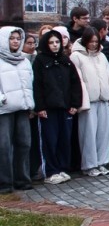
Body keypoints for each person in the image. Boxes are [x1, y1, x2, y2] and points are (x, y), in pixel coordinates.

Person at [71, 27, 109, 176]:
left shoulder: (101, 56)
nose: (94, 44)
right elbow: (78, 81)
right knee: (88, 134)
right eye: (91, 41)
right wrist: (83, 102)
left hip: (103, 100)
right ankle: (89, 164)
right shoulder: (76, 56)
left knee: (104, 133)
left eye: (96, 41)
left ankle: (102, 161)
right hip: (89, 102)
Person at [33, 30, 83, 183]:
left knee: (64, 139)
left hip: (65, 106)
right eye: (51, 42)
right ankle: (50, 170)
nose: (55, 45)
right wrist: (40, 107)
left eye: (57, 42)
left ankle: (62, 168)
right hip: (49, 108)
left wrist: (75, 104)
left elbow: (75, 83)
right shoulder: (40, 60)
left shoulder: (65, 60)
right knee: (50, 140)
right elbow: (37, 85)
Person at [0, 27, 35, 192]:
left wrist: (30, 104)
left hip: (22, 108)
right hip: (3, 110)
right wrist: (2, 99)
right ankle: (5, 183)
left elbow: (30, 84)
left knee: (24, 143)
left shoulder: (24, 60)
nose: (15, 41)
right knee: (4, 146)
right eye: (11, 38)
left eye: (17, 38)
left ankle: (22, 179)